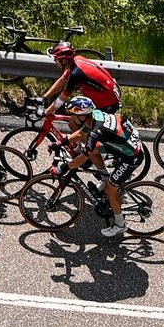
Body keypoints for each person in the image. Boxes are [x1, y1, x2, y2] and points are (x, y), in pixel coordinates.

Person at [60, 95, 143, 239]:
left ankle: (120, 224)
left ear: (82, 116)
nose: (71, 119)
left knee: (110, 191)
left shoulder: (96, 130)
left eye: (73, 116)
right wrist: (61, 142)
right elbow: (81, 133)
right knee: (93, 149)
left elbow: (83, 157)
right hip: (127, 146)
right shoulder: (94, 115)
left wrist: (64, 167)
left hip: (131, 157)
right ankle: (105, 177)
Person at [43, 41, 121, 115]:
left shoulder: (76, 74)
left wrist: (46, 112)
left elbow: (62, 99)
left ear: (64, 60)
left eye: (56, 59)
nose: (55, 61)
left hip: (107, 103)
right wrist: (45, 97)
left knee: (75, 120)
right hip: (109, 95)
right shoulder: (75, 60)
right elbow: (62, 80)